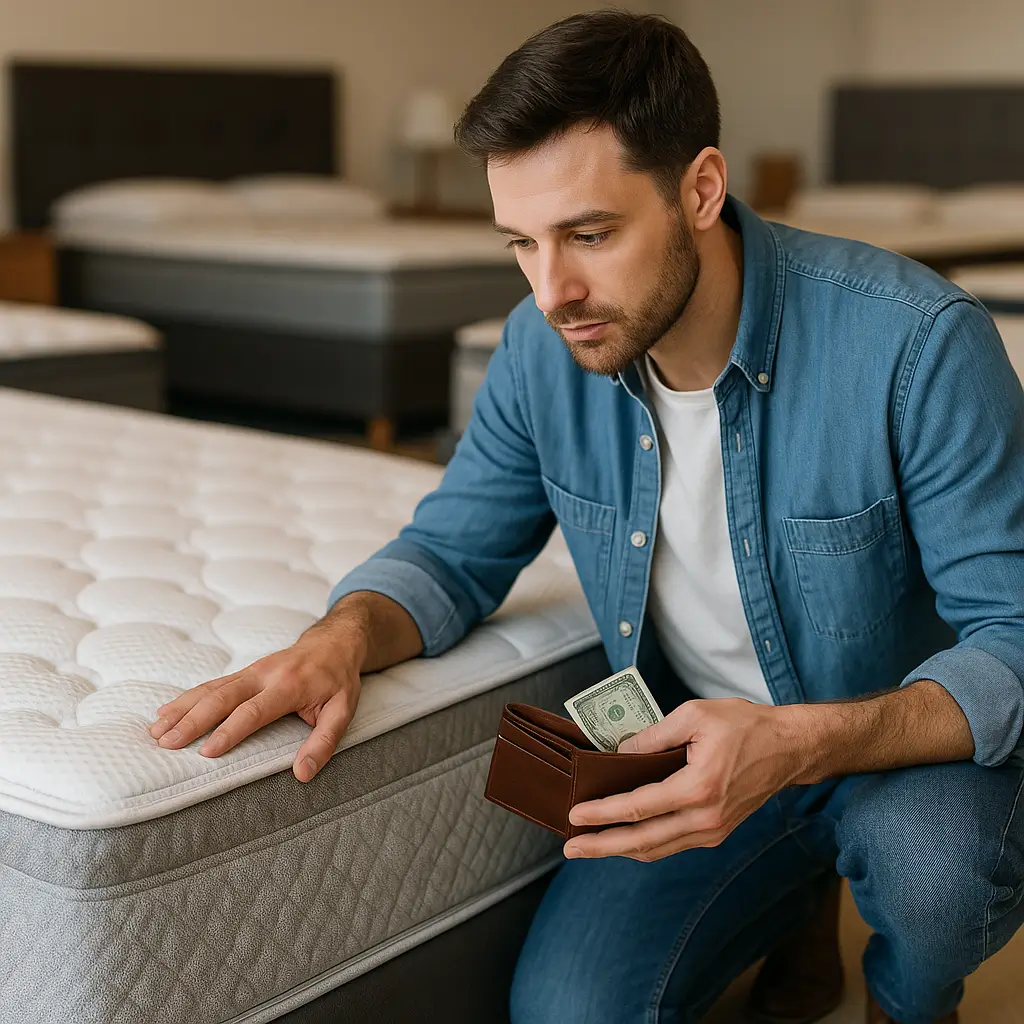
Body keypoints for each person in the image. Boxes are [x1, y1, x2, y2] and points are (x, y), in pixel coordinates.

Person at [148, 10, 1024, 1024]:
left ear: (700, 189)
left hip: (893, 751)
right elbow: (451, 548)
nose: (552, 290)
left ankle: (909, 1001)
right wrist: (340, 636)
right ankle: (798, 902)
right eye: (520, 242)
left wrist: (801, 742)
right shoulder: (540, 349)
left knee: (939, 878)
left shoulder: (919, 346)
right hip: (693, 745)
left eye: (589, 235)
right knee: (567, 1011)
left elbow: (1014, 639)